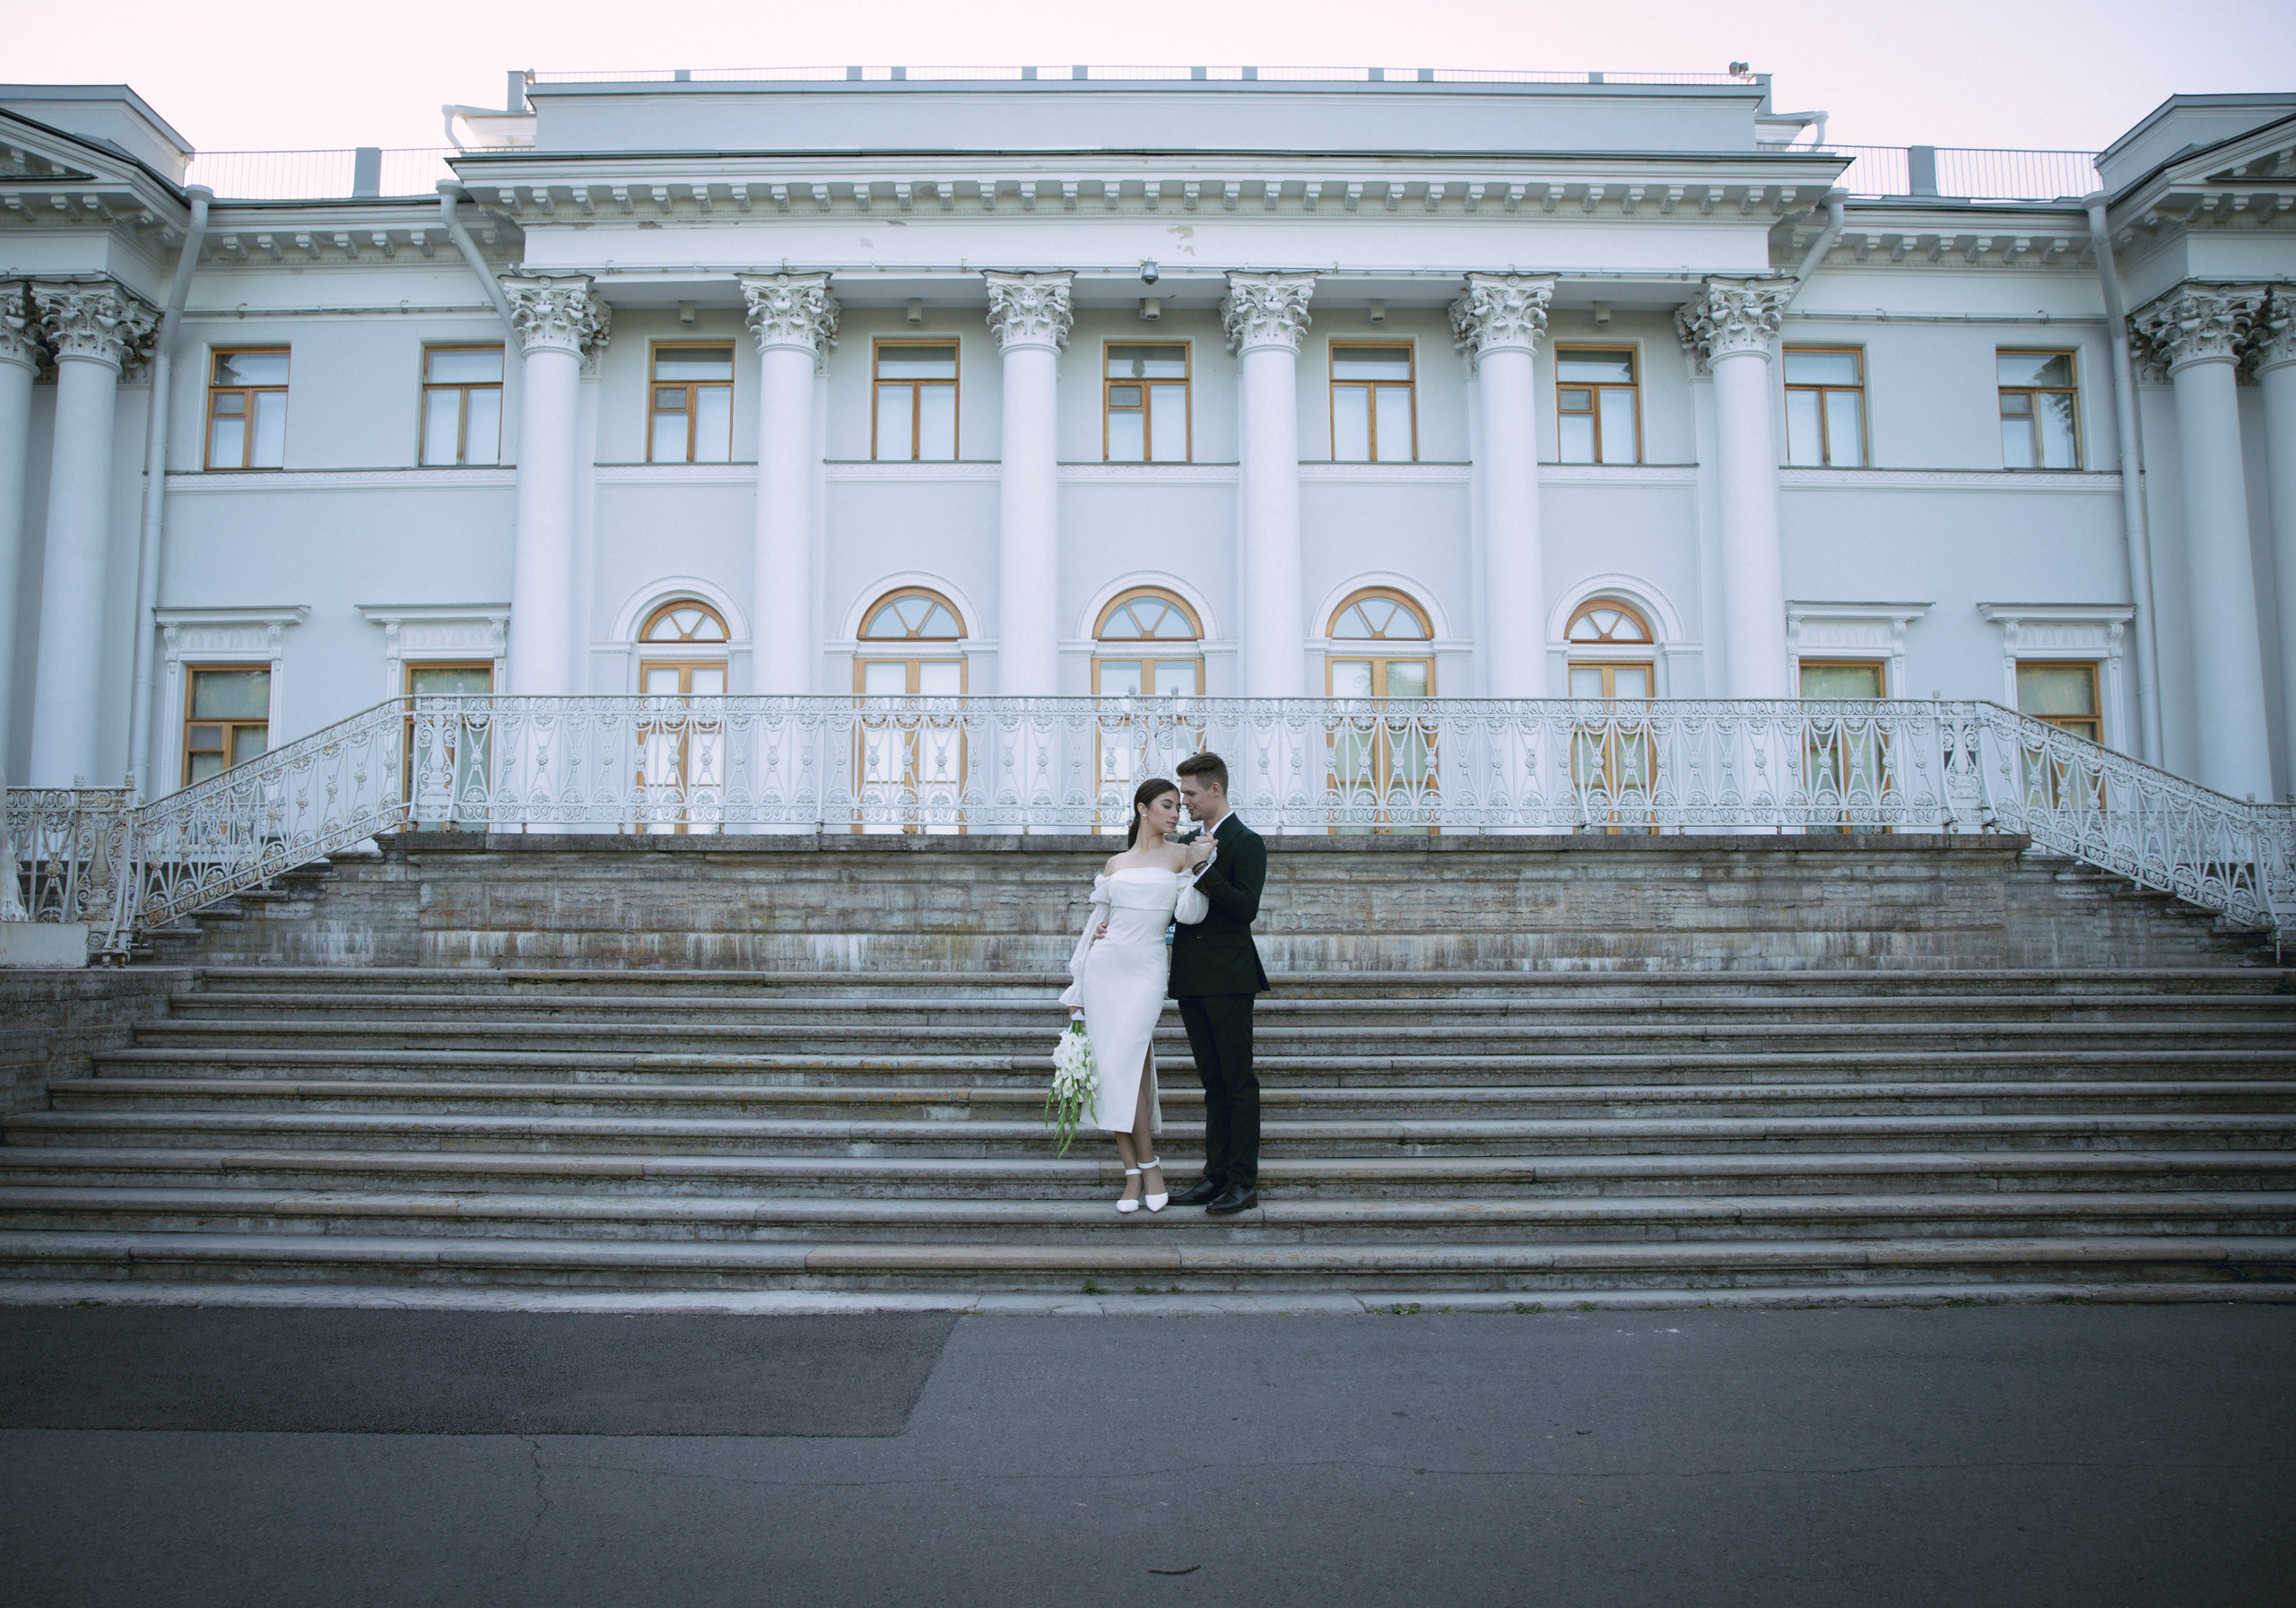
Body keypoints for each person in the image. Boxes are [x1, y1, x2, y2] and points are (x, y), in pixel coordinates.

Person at [1059, 778, 1211, 1213]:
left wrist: (1197, 868)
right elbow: (1095, 928)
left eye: (1180, 808)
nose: (1177, 814)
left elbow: (1189, 914)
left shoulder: (1184, 854)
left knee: (1127, 1064)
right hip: (1106, 970)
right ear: (1143, 808)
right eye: (1168, 806)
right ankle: (1136, 1173)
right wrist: (1078, 990)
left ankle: (1149, 1168)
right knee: (1114, 1072)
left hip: (1146, 971)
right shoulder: (1116, 863)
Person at [1167, 752, 1271, 1216]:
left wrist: (1203, 870)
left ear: (1214, 790)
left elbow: (1246, 907)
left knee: (1237, 1081)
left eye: (1189, 793)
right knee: (1212, 1082)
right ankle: (1215, 1176)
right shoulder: (1189, 842)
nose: (1183, 801)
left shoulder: (1247, 842)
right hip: (1191, 976)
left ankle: (1243, 1181)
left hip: (1229, 977)